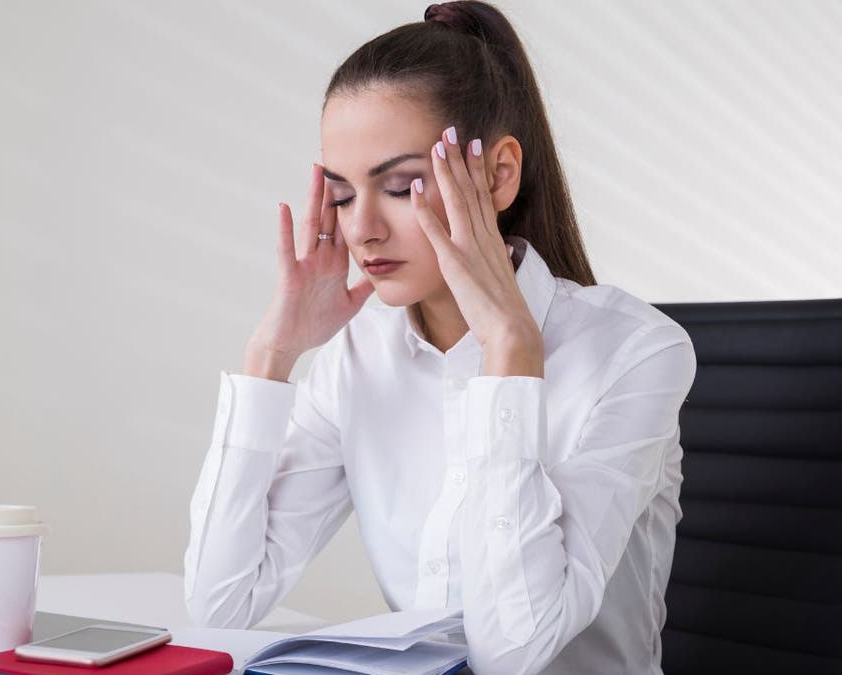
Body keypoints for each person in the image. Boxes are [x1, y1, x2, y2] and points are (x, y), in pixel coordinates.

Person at [182, 2, 697, 673]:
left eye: (400, 186)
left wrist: (511, 353)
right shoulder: (359, 354)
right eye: (340, 194)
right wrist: (271, 355)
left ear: (498, 174)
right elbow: (220, 605)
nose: (361, 228)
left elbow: (513, 651)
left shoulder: (636, 352)